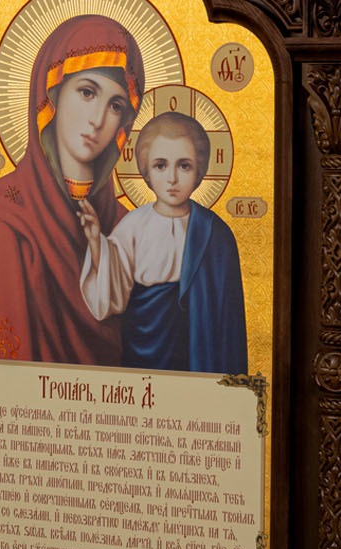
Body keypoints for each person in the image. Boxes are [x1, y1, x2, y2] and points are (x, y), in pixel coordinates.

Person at [0, 12, 143, 366]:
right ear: (50, 95)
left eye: (115, 105)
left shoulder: (129, 228)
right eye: (87, 92)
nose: (98, 119)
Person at [77, 111, 247, 375]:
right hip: (141, 349)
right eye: (160, 165)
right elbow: (112, 293)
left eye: (184, 166)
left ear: (200, 170)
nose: (172, 178)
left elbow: (228, 319)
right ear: (145, 170)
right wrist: (95, 242)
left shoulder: (216, 234)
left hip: (196, 352)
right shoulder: (134, 225)